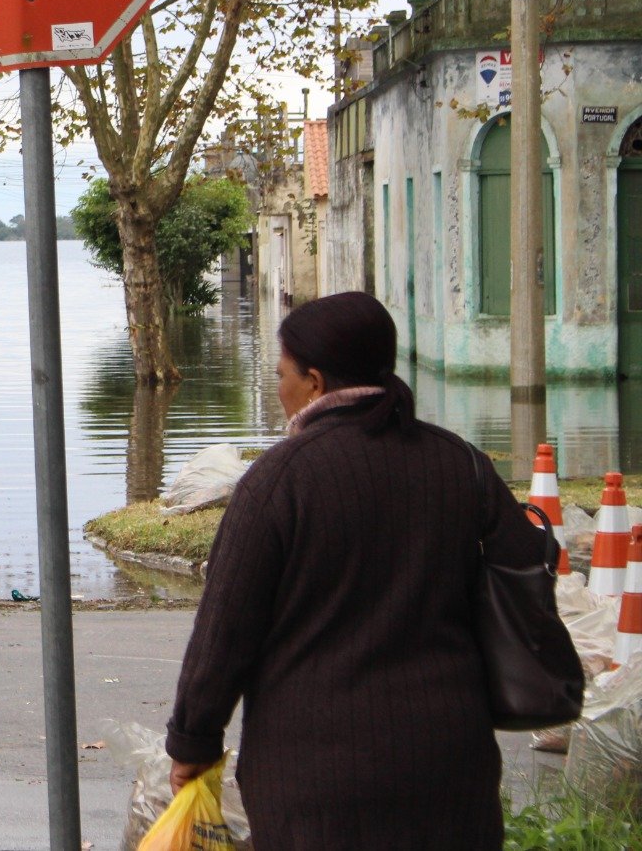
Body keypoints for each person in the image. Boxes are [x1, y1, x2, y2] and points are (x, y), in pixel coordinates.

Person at [164, 291, 549, 849]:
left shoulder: (278, 480)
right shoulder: (461, 463)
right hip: (449, 760)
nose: (279, 392)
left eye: (282, 376)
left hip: (316, 776)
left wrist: (193, 744)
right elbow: (525, 579)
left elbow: (224, 631)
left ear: (315, 383)